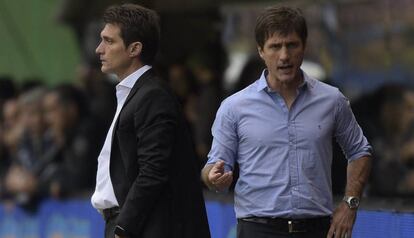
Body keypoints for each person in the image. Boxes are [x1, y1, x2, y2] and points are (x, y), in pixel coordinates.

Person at [201, 6, 372, 238]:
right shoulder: (234, 107)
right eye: (275, 46)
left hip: (317, 229)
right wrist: (214, 178)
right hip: (258, 228)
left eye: (292, 45)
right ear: (261, 51)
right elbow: (213, 167)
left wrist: (350, 205)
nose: (284, 56)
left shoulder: (331, 100)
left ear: (304, 47)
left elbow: (360, 151)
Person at [90, 4, 210, 238]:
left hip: (143, 227)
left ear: (134, 48)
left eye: (109, 41)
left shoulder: (153, 95)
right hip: (128, 223)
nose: (99, 49)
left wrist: (123, 228)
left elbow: (153, 171)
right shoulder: (133, 94)